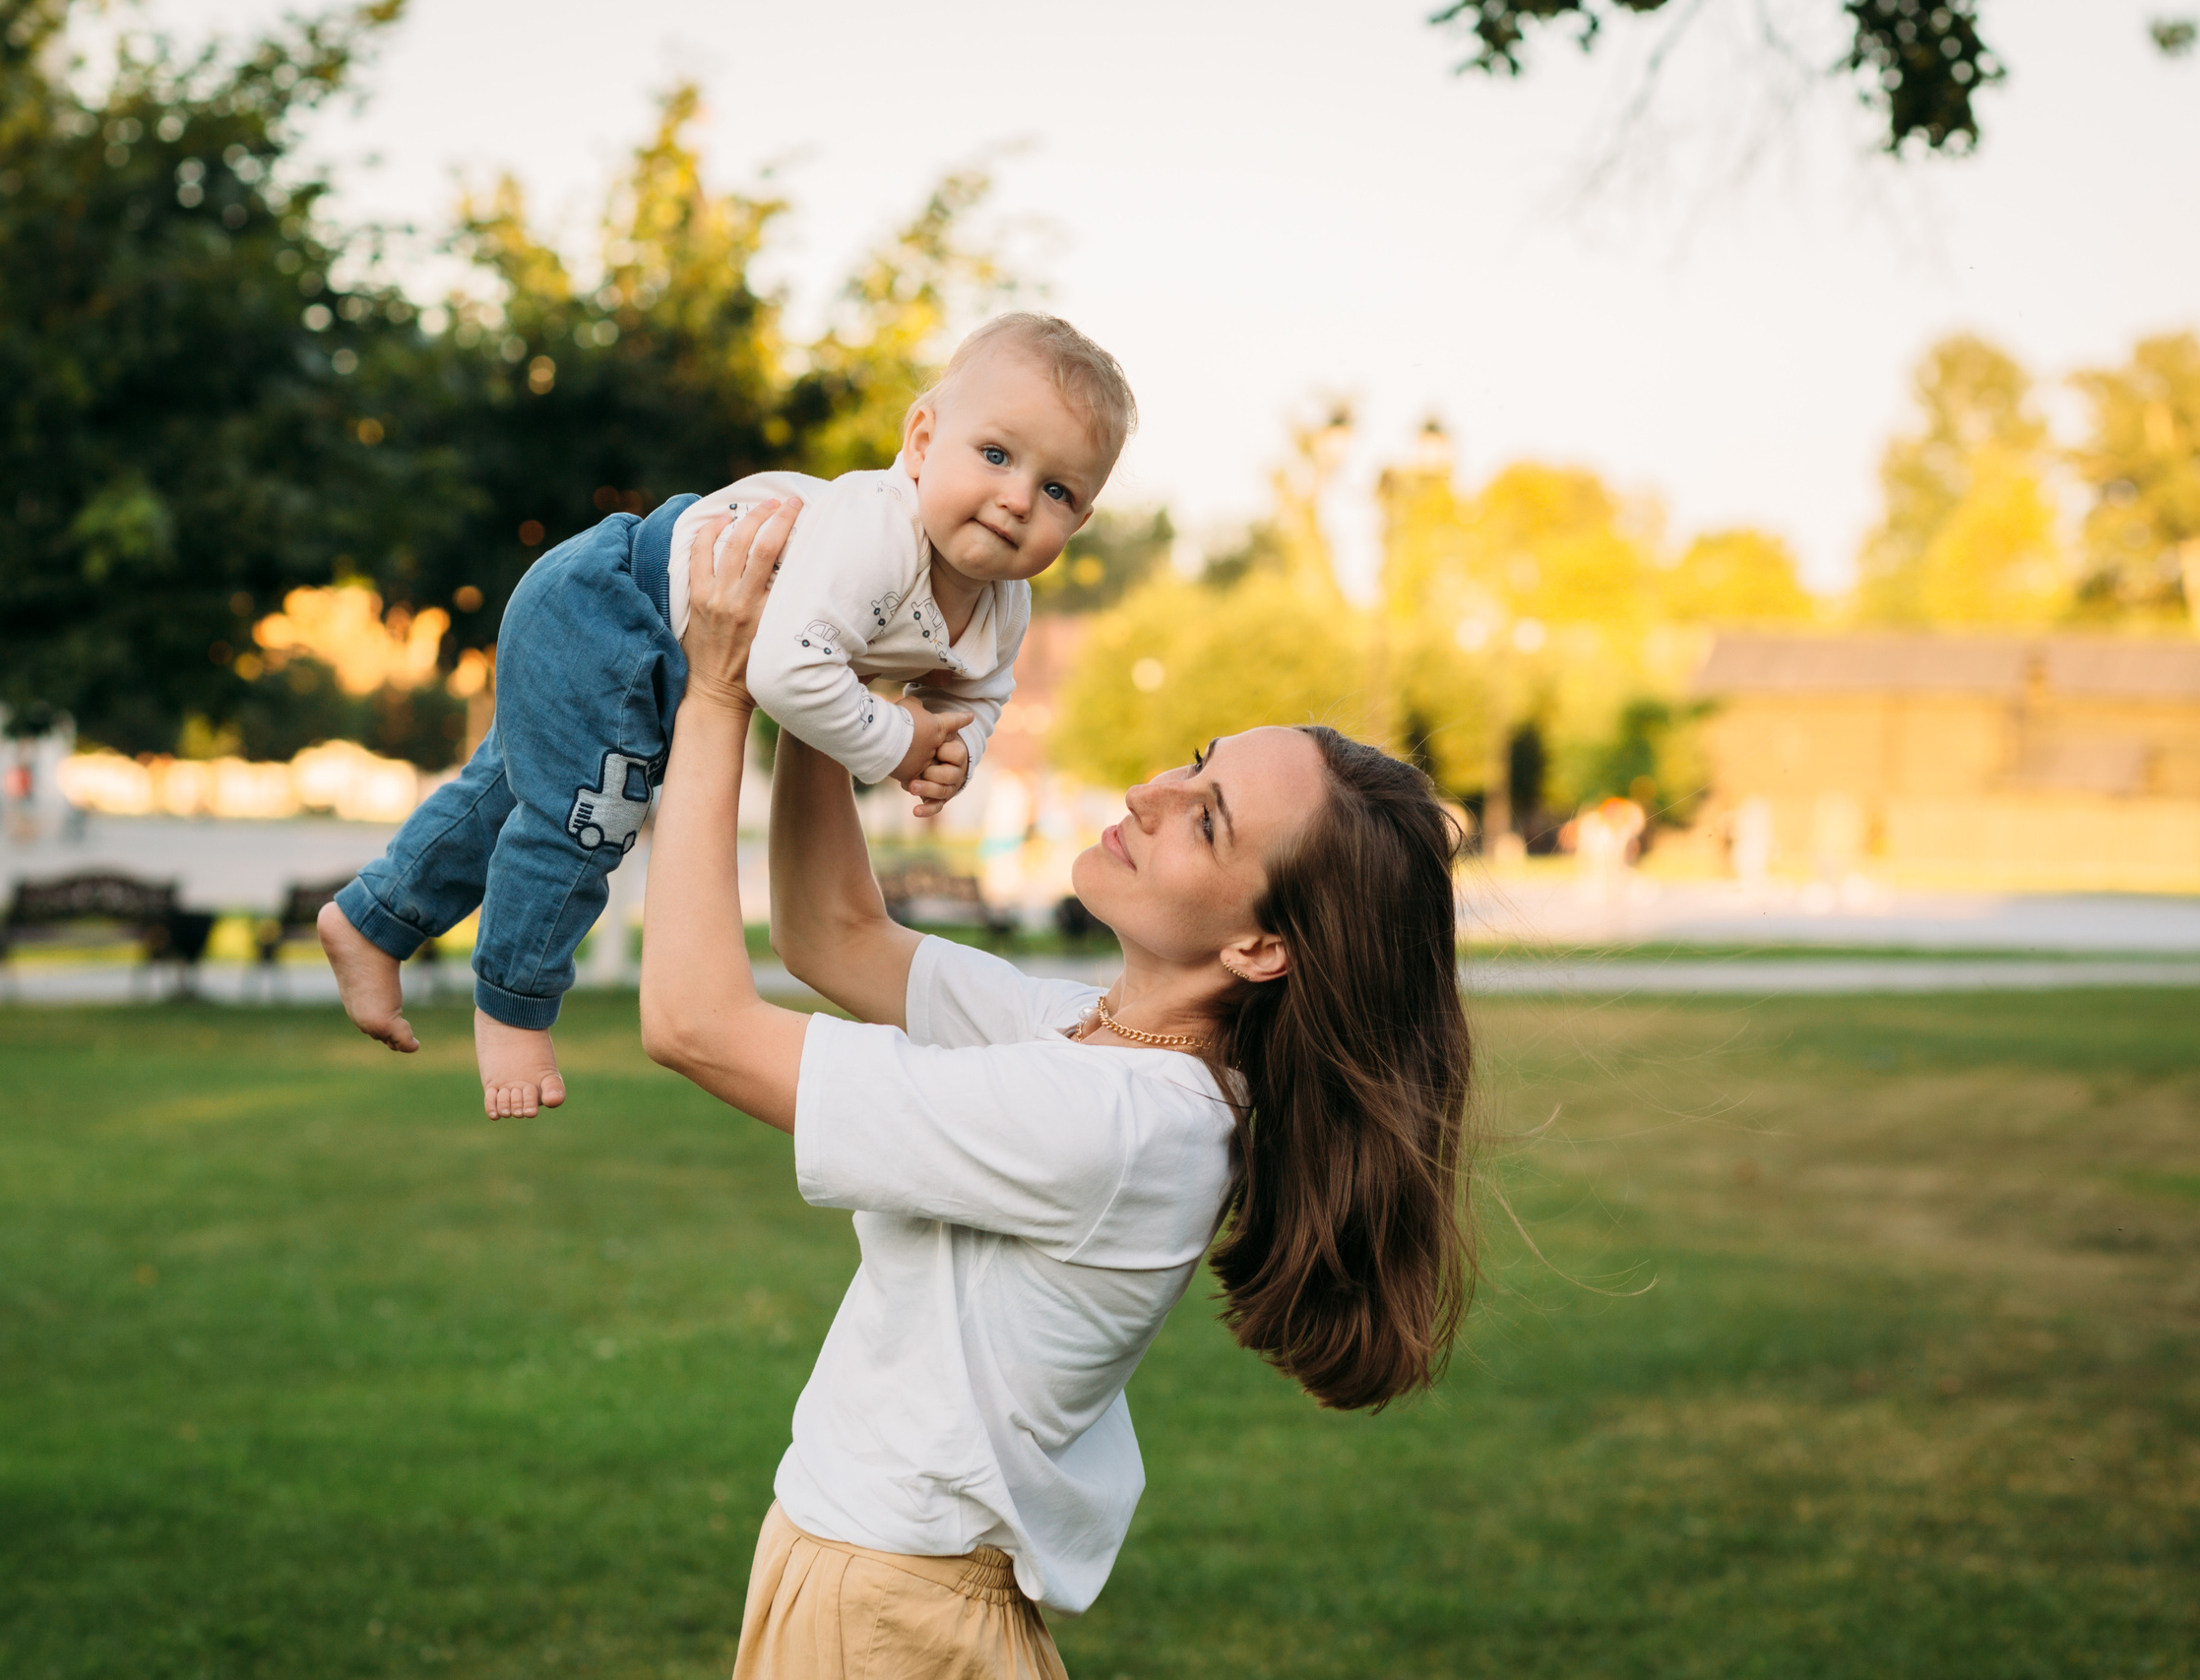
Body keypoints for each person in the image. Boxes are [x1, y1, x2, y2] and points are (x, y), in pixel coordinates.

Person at [646, 500, 1477, 1677]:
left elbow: (693, 1023)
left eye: (1208, 820)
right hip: (876, 1588)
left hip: (888, 1615)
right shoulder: (1091, 1042)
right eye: (1194, 765)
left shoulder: (1118, 1124)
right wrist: (830, 671)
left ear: (1260, 949)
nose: (1149, 793)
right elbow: (834, 934)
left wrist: (720, 693)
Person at [317, 313, 1138, 1118]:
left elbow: (980, 695)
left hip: (659, 640)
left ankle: (372, 919)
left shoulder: (1005, 606)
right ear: (922, 442)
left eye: (1057, 488)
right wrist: (893, 744)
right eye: (995, 454)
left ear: (1082, 517)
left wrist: (956, 751)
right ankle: (512, 1011)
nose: (1017, 498)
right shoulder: (878, 532)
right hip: (614, 600)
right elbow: (785, 672)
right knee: (588, 816)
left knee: (507, 790)